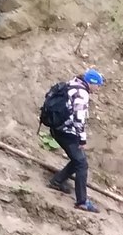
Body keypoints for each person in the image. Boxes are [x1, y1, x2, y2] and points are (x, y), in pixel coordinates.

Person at [40, 68, 105, 212]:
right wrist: (82, 139)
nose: (98, 89)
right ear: (91, 82)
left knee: (78, 160)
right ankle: (82, 201)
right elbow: (79, 119)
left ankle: (57, 181)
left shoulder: (72, 84)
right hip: (65, 131)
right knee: (82, 163)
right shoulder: (81, 94)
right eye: (98, 85)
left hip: (57, 128)